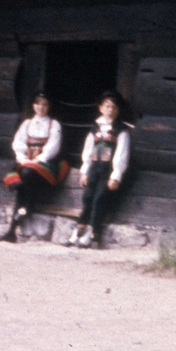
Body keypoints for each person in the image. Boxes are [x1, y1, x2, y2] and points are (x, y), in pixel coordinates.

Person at [0, 93, 68, 242]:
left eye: (44, 104)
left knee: (26, 173)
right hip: (27, 162)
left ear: (49, 106)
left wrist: (39, 159)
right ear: (33, 105)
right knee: (22, 177)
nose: (41, 107)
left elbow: (53, 147)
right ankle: (20, 216)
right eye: (38, 104)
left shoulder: (54, 124)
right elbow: (18, 142)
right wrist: (22, 157)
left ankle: (17, 221)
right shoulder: (27, 123)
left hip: (46, 163)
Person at [68, 91, 132, 248]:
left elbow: (121, 153)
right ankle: (78, 230)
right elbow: (88, 150)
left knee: (99, 199)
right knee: (88, 197)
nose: (110, 110)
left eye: (114, 107)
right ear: (101, 108)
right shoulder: (94, 128)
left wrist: (116, 175)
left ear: (118, 110)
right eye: (107, 106)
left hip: (107, 171)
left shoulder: (121, 130)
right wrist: (84, 171)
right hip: (94, 168)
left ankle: (92, 232)